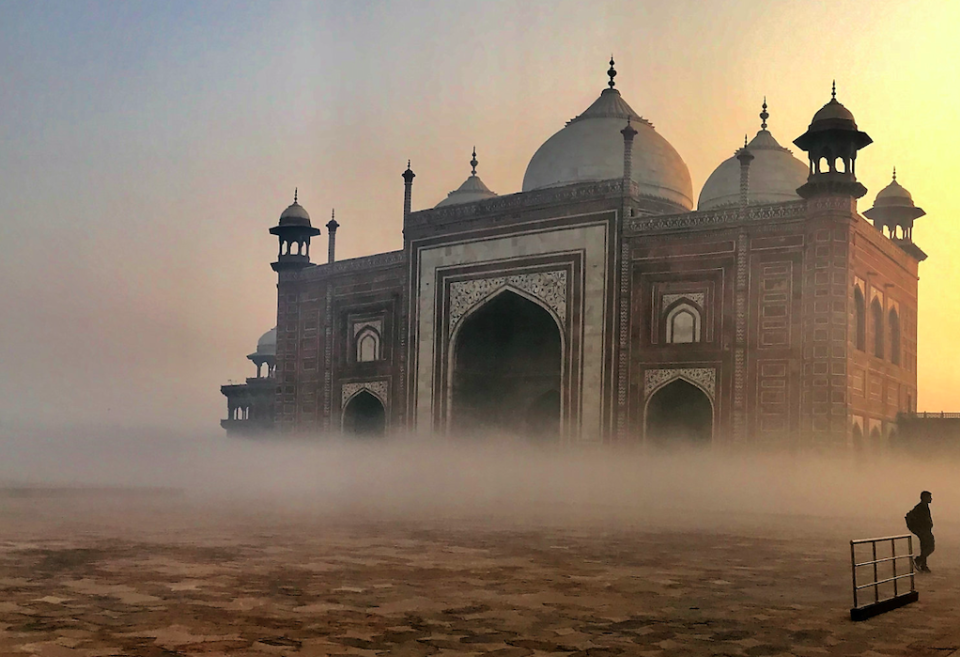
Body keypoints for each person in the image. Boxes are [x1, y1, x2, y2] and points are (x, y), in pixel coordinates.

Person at [905, 491, 934, 573]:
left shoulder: (924, 506)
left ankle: (923, 565)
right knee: (930, 547)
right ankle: (919, 561)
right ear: (924, 498)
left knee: (925, 547)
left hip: (924, 530)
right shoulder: (921, 507)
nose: (931, 499)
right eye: (929, 497)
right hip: (923, 531)